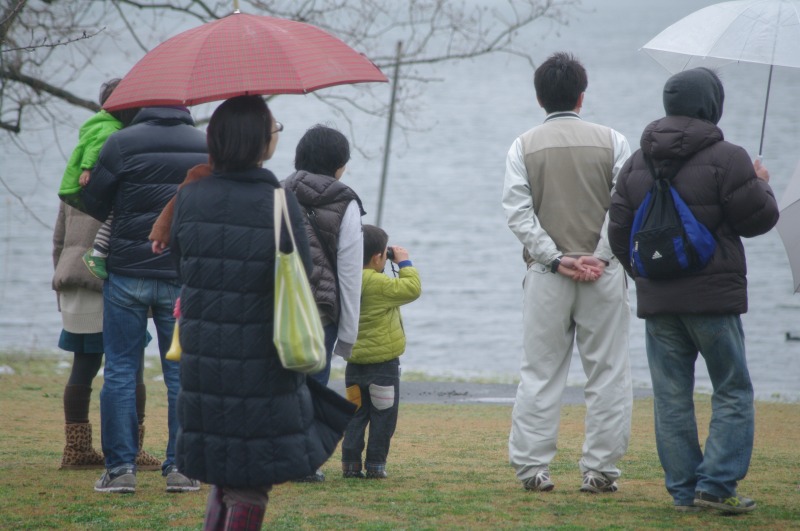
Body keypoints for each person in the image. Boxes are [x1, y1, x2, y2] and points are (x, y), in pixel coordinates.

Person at [170, 95, 355, 530]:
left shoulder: (190, 196)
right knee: (251, 482)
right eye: (274, 129)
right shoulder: (276, 202)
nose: (276, 137)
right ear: (258, 142)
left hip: (203, 357)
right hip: (260, 360)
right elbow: (302, 274)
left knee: (221, 473)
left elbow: (181, 263)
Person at [608, 67, 779, 514]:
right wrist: (761, 184)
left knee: (670, 397)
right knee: (732, 389)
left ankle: (685, 491)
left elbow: (618, 236)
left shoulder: (635, 163)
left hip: (659, 304)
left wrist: (648, 277)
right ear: (711, 106)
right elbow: (756, 220)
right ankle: (717, 487)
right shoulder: (730, 158)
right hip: (713, 302)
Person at [502, 51, 633, 493]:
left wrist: (557, 258)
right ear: (582, 95)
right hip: (604, 274)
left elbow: (518, 214)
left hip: (547, 275)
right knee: (608, 373)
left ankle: (533, 467)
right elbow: (624, 207)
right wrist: (598, 255)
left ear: (540, 98)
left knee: (539, 373)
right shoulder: (614, 141)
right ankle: (600, 470)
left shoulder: (523, 146)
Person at [81, 104, 207, 494]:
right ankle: (181, 468)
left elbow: (93, 201)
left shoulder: (120, 142)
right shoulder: (206, 146)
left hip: (127, 271)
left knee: (119, 368)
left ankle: (120, 470)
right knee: (181, 374)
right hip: (179, 273)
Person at [283, 124, 365, 483]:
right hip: (320, 310)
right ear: (338, 166)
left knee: (278, 382)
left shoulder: (277, 190)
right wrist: (348, 335)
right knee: (314, 386)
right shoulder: (345, 202)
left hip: (278, 305)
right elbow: (349, 273)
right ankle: (303, 463)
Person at [52, 202, 160, 471]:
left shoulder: (74, 185)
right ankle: (132, 449)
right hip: (106, 280)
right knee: (130, 366)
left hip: (71, 278)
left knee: (83, 364)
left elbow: (58, 241)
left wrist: (60, 286)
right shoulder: (120, 180)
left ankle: (77, 450)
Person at [341, 225, 422, 480]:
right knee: (383, 416)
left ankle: (350, 465)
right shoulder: (378, 283)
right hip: (383, 367)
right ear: (378, 257)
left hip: (354, 364)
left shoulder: (345, 279)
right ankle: (375, 465)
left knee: (355, 416)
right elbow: (412, 288)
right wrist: (404, 261)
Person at [55, 78, 138, 280]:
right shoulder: (113, 139)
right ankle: (97, 252)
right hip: (99, 281)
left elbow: (58, 241)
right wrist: (87, 169)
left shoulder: (98, 126)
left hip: (70, 276)